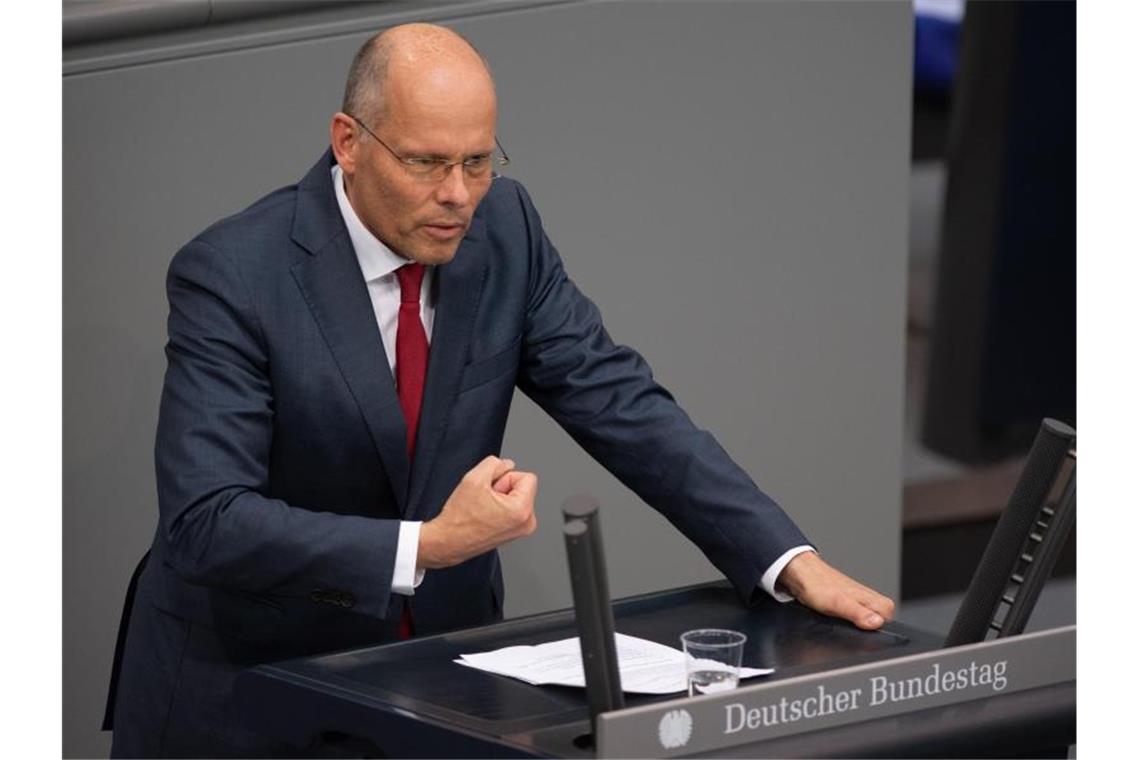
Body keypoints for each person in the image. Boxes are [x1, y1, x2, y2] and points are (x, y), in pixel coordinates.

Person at [109, 23, 895, 758]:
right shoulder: (236, 274)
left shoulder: (503, 229)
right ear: (348, 143)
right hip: (252, 688)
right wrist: (430, 544)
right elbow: (207, 523)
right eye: (426, 163)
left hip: (439, 678)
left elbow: (616, 397)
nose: (458, 194)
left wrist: (784, 557)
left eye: (478, 161)